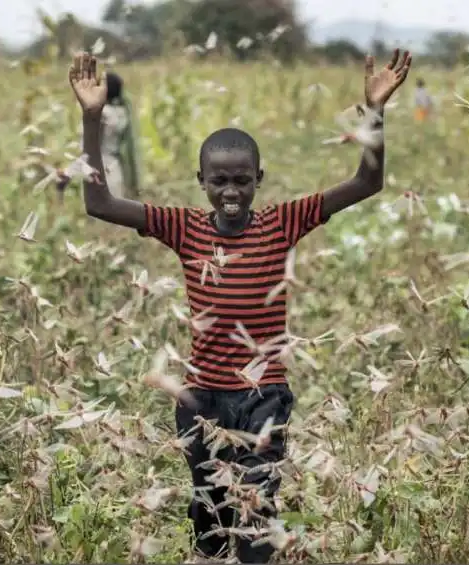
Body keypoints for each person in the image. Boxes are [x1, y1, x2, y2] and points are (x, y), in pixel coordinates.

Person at [67, 49, 411, 563]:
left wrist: (375, 110)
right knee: (209, 520)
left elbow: (367, 183)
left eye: (242, 180)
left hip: (263, 398)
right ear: (201, 182)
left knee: (255, 516)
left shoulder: (283, 222)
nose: (232, 191)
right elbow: (99, 204)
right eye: (220, 180)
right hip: (200, 399)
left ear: (259, 179)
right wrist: (91, 118)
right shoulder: (183, 227)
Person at [57, 70, 141, 200]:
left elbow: (91, 150)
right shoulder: (121, 112)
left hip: (96, 171)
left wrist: (69, 173)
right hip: (114, 169)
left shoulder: (100, 115)